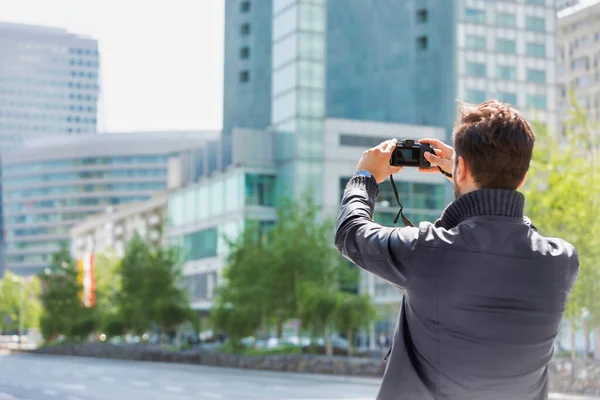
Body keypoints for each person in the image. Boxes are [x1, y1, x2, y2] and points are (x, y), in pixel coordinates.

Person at [335, 101, 579, 400]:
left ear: (460, 167)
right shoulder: (561, 261)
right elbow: (513, 235)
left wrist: (365, 177)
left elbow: (351, 233)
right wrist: (469, 176)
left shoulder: (426, 250)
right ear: (523, 176)